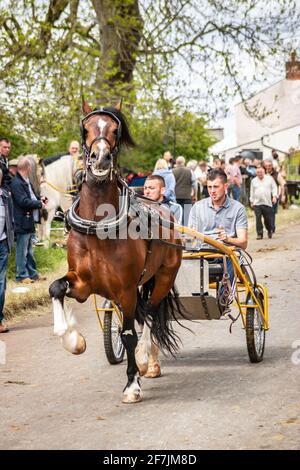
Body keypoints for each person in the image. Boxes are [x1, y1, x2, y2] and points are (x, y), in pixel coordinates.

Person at [188, 169, 248, 286]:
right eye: (209, 187)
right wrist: (190, 238)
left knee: (236, 255)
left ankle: (225, 293)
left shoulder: (238, 208)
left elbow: (243, 243)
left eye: (216, 187)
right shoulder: (197, 207)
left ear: (225, 186)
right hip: (202, 252)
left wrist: (228, 239)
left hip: (226, 253)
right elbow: (191, 243)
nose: (212, 191)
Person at [11, 157, 47, 283]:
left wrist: (40, 199)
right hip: (22, 221)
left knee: (30, 250)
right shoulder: (16, 183)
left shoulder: (27, 181)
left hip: (29, 220)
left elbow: (32, 197)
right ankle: (21, 276)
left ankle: (32, 274)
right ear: (28, 168)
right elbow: (23, 201)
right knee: (22, 250)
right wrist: (38, 204)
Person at [0, 169, 14, 333]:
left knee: (1, 283)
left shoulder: (5, 195)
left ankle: (0, 320)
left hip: (3, 243)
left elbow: (10, 219)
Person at [250, 165, 277, 240]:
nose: (259, 173)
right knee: (258, 219)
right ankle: (259, 234)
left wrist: (274, 196)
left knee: (267, 219)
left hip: (267, 202)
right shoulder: (254, 180)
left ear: (264, 171)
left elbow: (274, 188)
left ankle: (269, 230)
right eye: (258, 172)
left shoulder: (269, 179)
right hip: (257, 203)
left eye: (261, 172)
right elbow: (252, 191)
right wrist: (251, 201)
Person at [263, 159, 286, 233]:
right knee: (266, 214)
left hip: (274, 197)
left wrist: (282, 196)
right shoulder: (262, 174)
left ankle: (272, 228)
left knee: (272, 213)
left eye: (269, 166)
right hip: (264, 197)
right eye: (266, 166)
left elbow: (282, 185)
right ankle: (269, 227)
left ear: (272, 166)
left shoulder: (277, 174)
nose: (268, 167)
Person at [173, 156, 196, 225]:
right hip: (187, 196)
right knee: (187, 217)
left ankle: (178, 232)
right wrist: (194, 195)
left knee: (177, 216)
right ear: (184, 162)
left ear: (176, 162)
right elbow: (194, 184)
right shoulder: (190, 171)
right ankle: (185, 232)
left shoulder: (172, 171)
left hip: (176, 197)